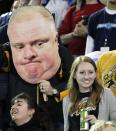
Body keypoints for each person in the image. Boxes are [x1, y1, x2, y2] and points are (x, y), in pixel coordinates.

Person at [4, 5, 73, 131]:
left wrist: (54, 91)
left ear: (56, 39)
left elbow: (81, 93)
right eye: (19, 46)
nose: (29, 54)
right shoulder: (5, 63)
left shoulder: (71, 65)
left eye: (39, 43)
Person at [63, 56, 116, 131]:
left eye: (90, 72)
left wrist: (99, 123)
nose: (87, 77)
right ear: (74, 75)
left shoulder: (106, 94)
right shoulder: (67, 100)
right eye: (82, 72)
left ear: (95, 74)